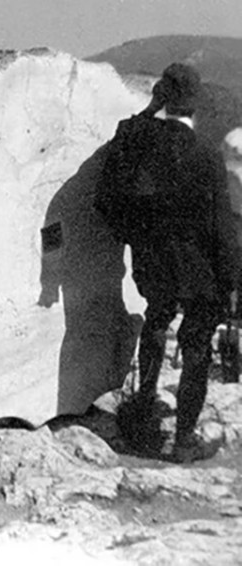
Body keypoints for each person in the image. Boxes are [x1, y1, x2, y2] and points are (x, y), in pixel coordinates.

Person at [96, 62, 240, 463]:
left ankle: (142, 417)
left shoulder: (140, 138)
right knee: (196, 349)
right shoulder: (207, 156)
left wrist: (149, 107)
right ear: (195, 106)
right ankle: (183, 440)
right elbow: (220, 226)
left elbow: (123, 141)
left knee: (156, 324)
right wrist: (230, 279)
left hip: (152, 257)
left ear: (162, 96)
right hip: (199, 269)